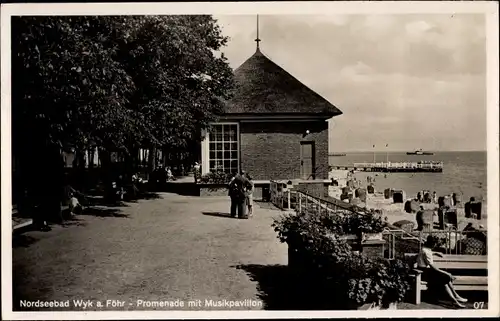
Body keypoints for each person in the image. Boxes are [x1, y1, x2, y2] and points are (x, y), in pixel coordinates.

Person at [417, 235, 468, 308]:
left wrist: (436, 253)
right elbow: (433, 267)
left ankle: (456, 297)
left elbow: (427, 253)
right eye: (435, 244)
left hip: (426, 271)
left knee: (444, 278)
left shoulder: (424, 248)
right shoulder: (426, 252)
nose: (435, 245)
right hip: (424, 273)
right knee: (444, 278)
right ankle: (454, 300)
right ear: (432, 244)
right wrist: (447, 273)